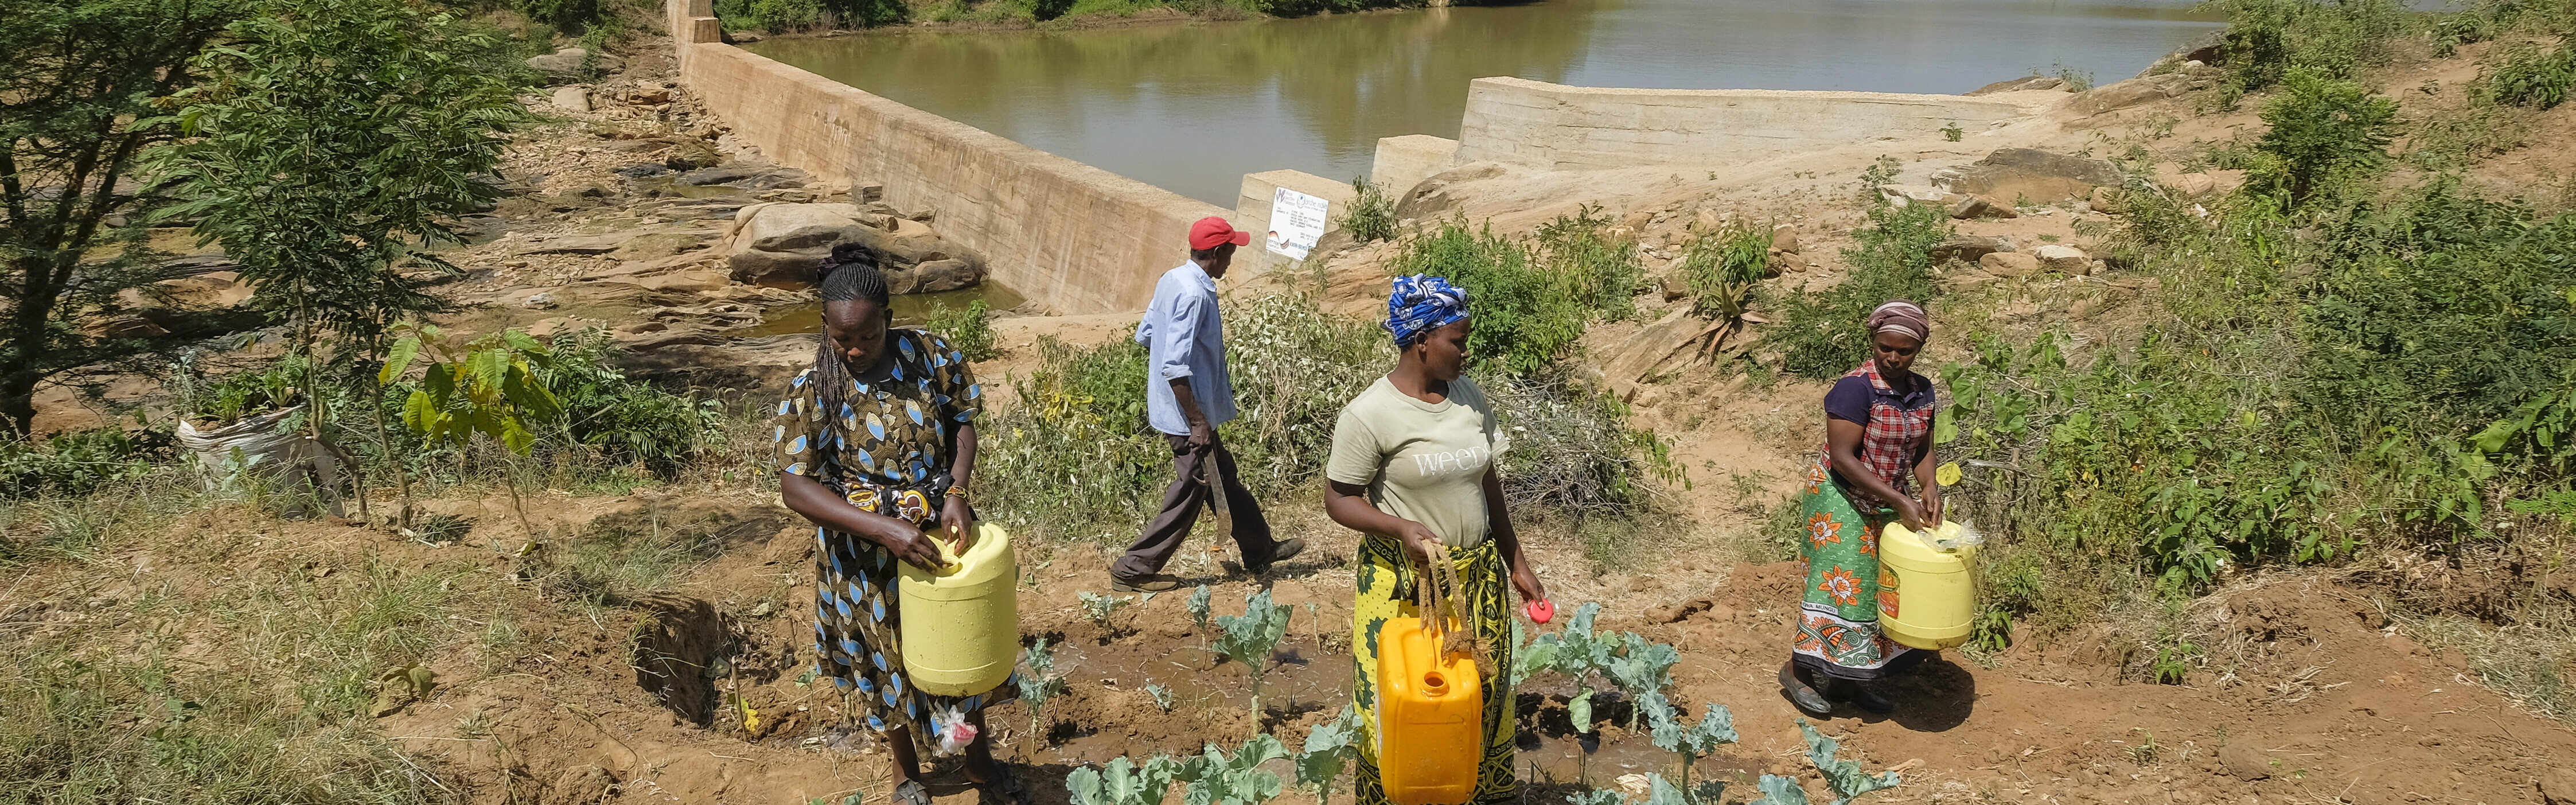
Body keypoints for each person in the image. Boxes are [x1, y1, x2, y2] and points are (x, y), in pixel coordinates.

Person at [773, 244, 1025, 805]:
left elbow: (962, 419)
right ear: (825, 327)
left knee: (958, 655)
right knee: (885, 663)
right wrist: (881, 529)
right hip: (862, 558)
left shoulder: (930, 356)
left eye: (867, 336)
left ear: (890, 317)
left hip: (939, 539)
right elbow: (796, 486)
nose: (855, 349)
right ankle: (906, 768)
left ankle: (974, 758)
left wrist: (956, 490)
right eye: (841, 339)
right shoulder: (814, 388)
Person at [1325, 275, 1545, 805]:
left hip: (1478, 583)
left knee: (1479, 701)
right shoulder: (1370, 413)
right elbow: (1338, 499)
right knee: (1404, 706)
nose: (1468, 352)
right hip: (1406, 587)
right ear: (1421, 339)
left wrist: (1516, 561)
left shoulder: (1468, 397)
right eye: (1458, 340)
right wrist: (1399, 526)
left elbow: (1487, 482)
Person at [1109, 216, 1306, 592]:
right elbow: (1172, 364)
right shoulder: (1194, 294)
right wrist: (1196, 419)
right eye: (1231, 251)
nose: (1233, 258)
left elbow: (1146, 334)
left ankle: (1259, 549)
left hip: (1182, 408)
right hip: (1188, 415)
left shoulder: (1172, 279)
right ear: (1216, 253)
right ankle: (1132, 569)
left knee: (1223, 478)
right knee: (1193, 486)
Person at [1781, 300, 1943, 716]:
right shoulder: (1856, 388)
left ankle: (1849, 681)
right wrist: (1899, 499)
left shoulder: (1921, 391)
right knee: (1840, 584)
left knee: (1879, 587)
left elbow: (1922, 445)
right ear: (1872, 341)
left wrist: (1929, 485)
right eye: (1883, 347)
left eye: (1903, 351)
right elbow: (1842, 458)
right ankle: (1799, 672)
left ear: (1917, 350)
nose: (1892, 357)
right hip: (1840, 494)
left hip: (1887, 494)